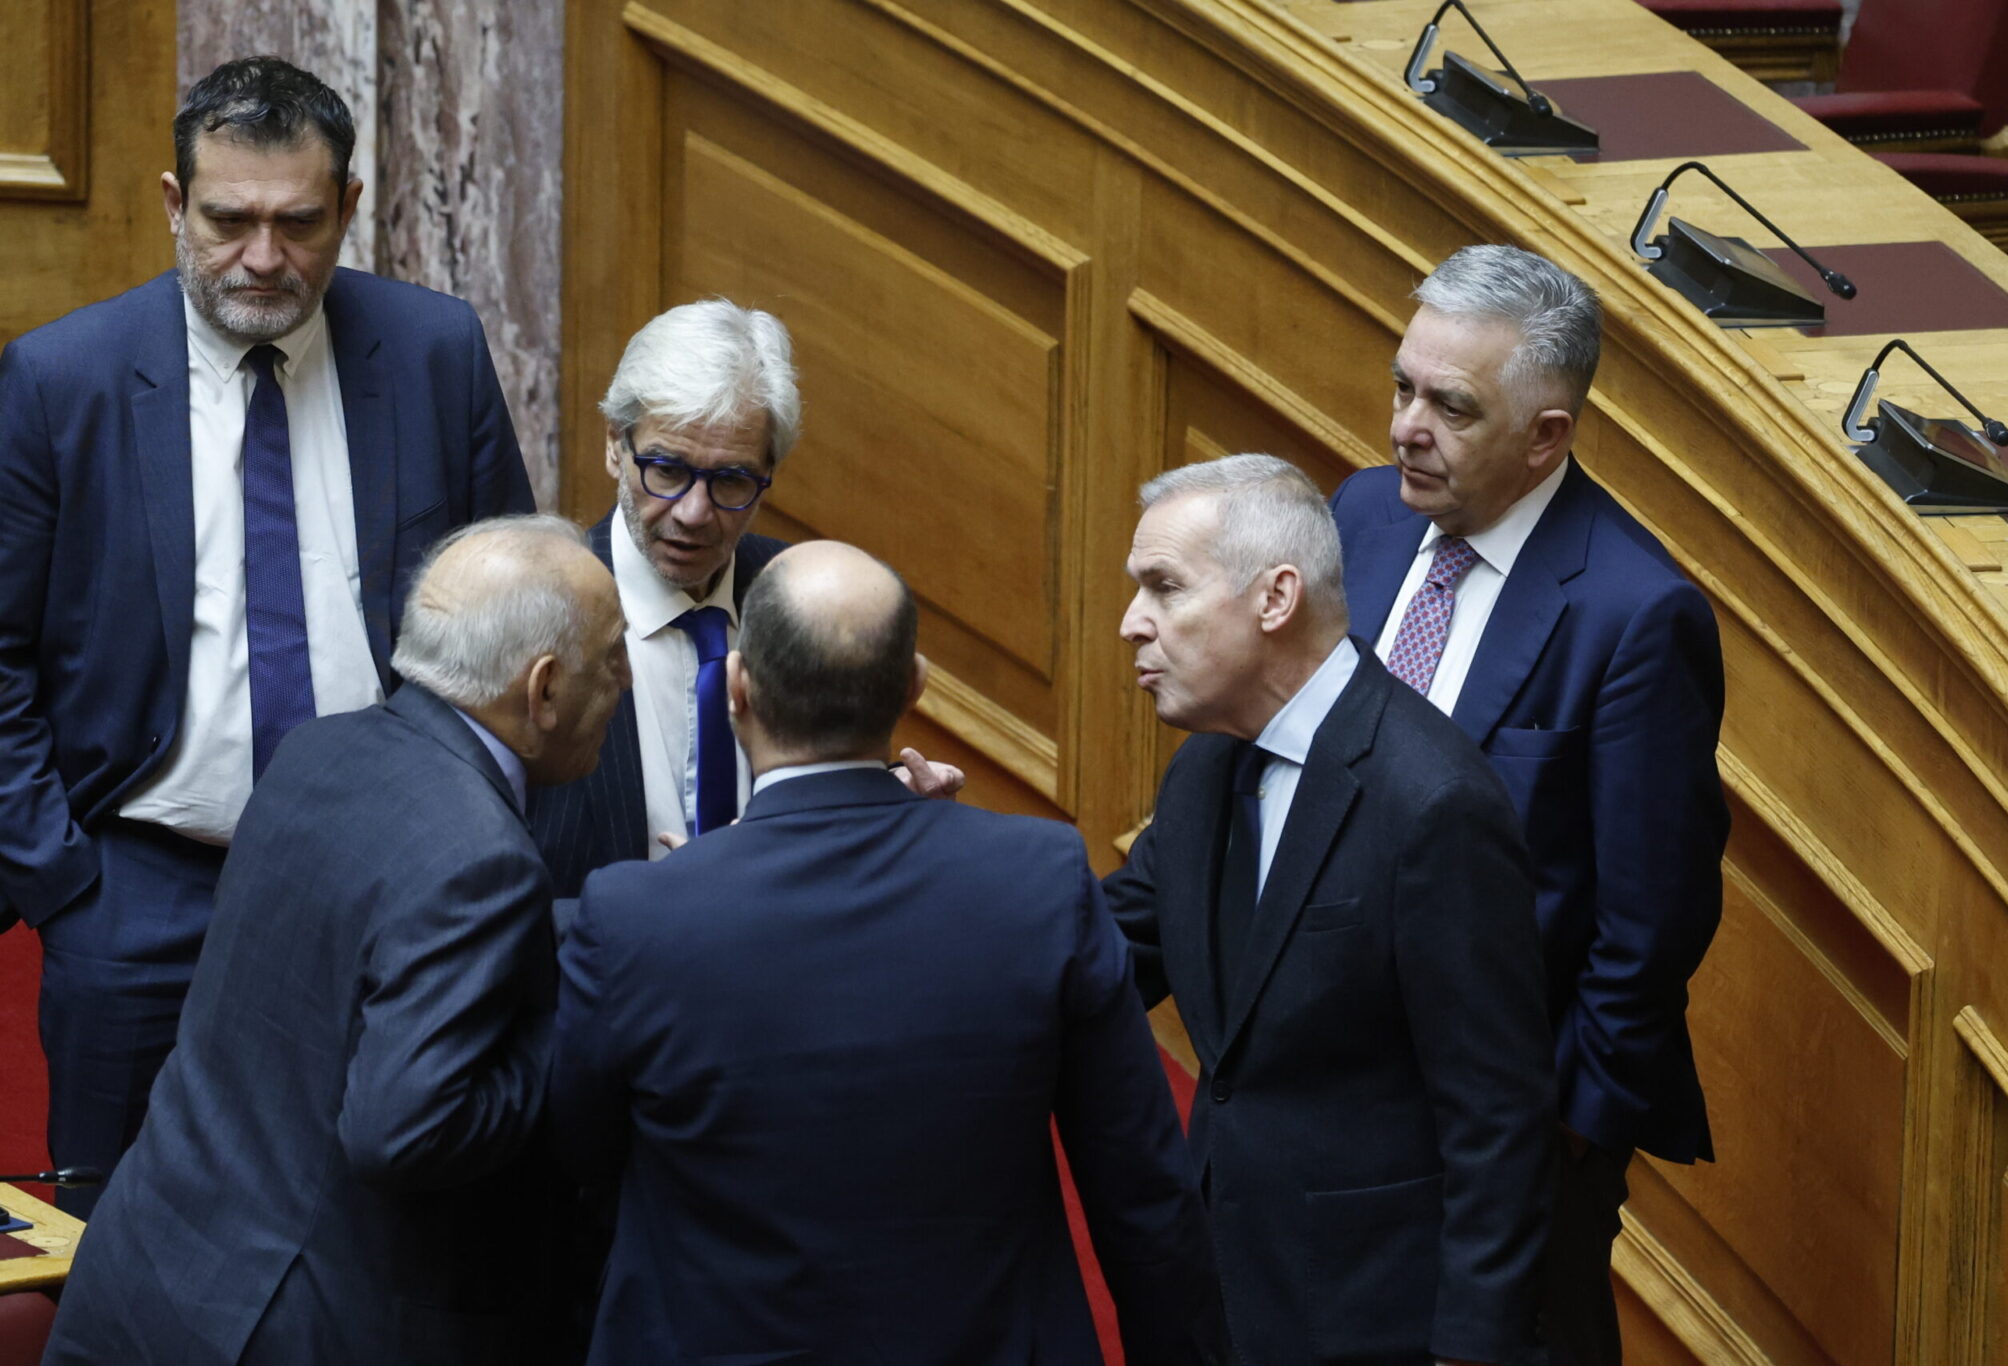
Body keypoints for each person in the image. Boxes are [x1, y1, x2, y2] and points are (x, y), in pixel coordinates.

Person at [0, 55, 531, 1211]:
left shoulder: (434, 354)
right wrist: (64, 883)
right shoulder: (62, 379)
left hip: (387, 874)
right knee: (112, 1228)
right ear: (173, 203)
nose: (261, 257)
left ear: (347, 205)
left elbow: (510, 618)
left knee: (383, 1220)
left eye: (297, 223)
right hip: (138, 880)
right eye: (229, 219)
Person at [551, 540, 1225, 1366]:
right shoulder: (1041, 881)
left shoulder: (633, 916)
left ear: (737, 689)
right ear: (915, 687)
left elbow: (586, 1159)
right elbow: (1141, 1190)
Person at [42, 516, 628, 1366]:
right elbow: (405, 1132)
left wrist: (588, 928)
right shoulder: (484, 858)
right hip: (287, 1325)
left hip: (146, 1271)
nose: (624, 679)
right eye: (611, 657)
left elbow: (380, 931)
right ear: (541, 690)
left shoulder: (317, 750)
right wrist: (570, 1028)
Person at [1329, 244, 1729, 1366]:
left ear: (1546, 435)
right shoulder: (1360, 515)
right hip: (1336, 1077)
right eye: (1402, 387)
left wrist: (1568, 1131)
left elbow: (1650, 920)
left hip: (1503, 1114)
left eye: (1449, 407)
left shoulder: (1634, 614)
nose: (1406, 428)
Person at [1105, 455, 1555, 1366]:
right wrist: (932, 857)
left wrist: (1471, 1349)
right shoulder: (1204, 769)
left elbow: (1499, 1118)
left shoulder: (1433, 803)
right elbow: (1101, 956)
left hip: (1371, 1320)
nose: (1131, 623)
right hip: (1219, 1297)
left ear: (1276, 599)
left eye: (1164, 587)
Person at [529, 300, 957, 896]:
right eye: (667, 470)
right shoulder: (534, 613)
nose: (694, 513)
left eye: (730, 480)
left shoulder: (810, 600)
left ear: (768, 475)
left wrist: (892, 818)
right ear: (612, 445)